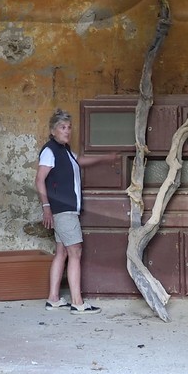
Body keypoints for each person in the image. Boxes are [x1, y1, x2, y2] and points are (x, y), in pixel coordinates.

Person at [35, 108, 114, 312]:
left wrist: (104, 159)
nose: (67, 131)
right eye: (62, 127)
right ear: (53, 130)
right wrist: (46, 207)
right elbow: (39, 180)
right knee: (75, 252)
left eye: (69, 127)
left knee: (61, 252)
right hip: (64, 210)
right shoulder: (50, 151)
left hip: (65, 209)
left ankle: (53, 298)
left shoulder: (66, 151)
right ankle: (77, 302)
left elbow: (80, 161)